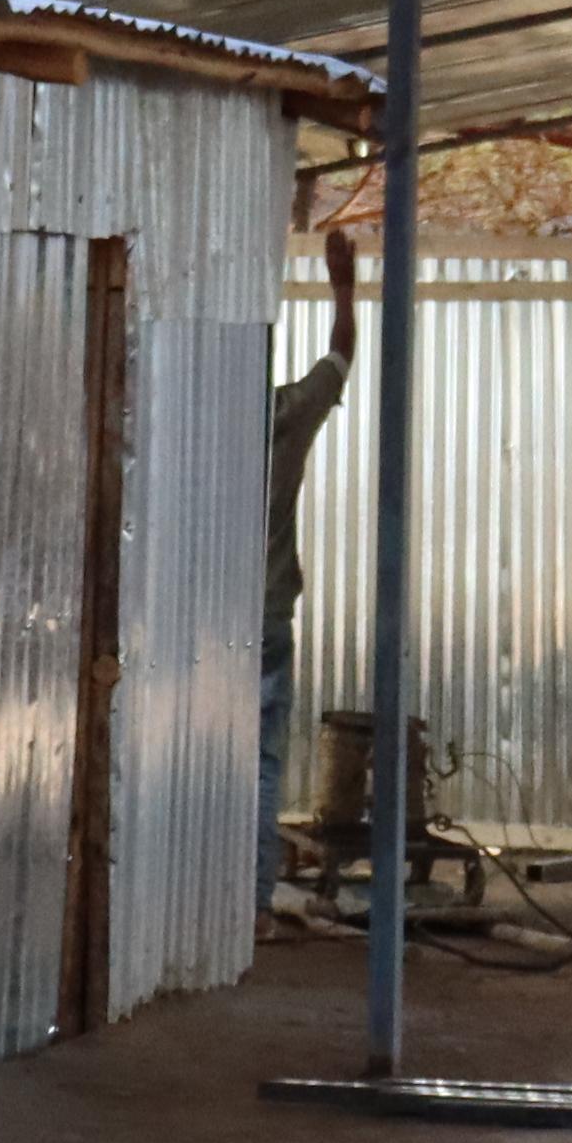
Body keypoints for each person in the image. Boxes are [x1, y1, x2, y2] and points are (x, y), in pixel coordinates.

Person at [256, 228, 362, 811]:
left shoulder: (185, 415)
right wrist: (343, 289)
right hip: (267, 613)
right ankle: (257, 900)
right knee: (262, 765)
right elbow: (340, 355)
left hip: (197, 625)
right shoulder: (288, 414)